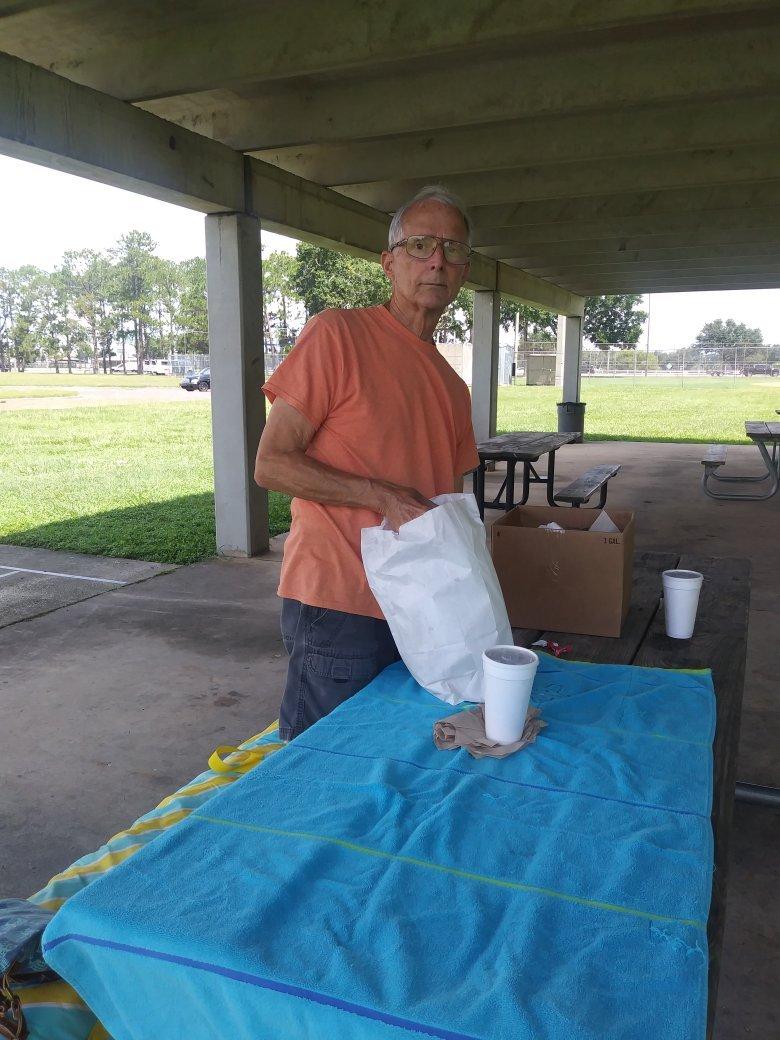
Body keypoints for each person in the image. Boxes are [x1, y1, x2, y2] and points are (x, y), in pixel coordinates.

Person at [255, 185, 480, 740]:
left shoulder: (453, 388)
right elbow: (272, 464)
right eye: (421, 245)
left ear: (464, 268)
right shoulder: (339, 335)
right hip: (340, 603)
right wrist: (382, 497)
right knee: (322, 759)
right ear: (389, 262)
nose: (436, 260)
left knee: (389, 756)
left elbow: (452, 504)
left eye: (451, 249)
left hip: (423, 606)